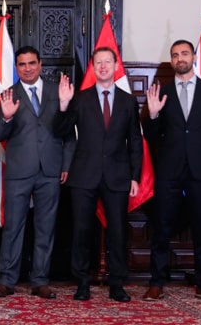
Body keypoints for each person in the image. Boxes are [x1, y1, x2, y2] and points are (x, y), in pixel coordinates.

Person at [54, 46, 143, 302]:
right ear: (93, 67)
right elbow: (61, 131)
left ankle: (117, 284)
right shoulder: (80, 98)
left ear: (116, 66)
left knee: (118, 232)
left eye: (107, 62)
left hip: (118, 175)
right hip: (84, 175)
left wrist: (135, 176)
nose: (103, 66)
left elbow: (135, 141)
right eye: (98, 62)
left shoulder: (128, 101)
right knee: (81, 231)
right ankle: (82, 283)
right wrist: (63, 104)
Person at [142, 39, 201, 302]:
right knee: (161, 228)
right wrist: (153, 115)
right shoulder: (162, 91)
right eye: (175, 55)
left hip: (200, 170)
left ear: (193, 57)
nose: (180, 58)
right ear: (171, 61)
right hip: (168, 170)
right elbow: (151, 136)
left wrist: (197, 153)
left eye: (184, 53)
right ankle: (157, 283)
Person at [0, 46, 76, 299]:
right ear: (16, 68)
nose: (27, 68)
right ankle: (6, 280)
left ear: (40, 64)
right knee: (13, 227)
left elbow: (69, 134)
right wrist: (6, 118)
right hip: (19, 170)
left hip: (50, 169)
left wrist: (66, 165)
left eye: (31, 63)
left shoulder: (57, 91)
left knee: (46, 227)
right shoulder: (8, 94)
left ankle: (40, 280)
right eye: (22, 64)